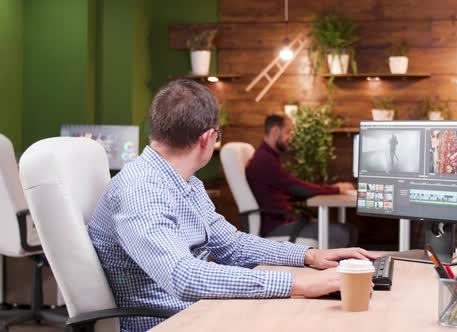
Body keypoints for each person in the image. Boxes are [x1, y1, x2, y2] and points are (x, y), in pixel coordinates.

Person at [87, 80, 375, 332]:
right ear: (208, 139)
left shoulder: (186, 182)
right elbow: (183, 277)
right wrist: (298, 285)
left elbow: (231, 245)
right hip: (168, 321)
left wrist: (309, 256)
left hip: (199, 310)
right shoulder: (140, 190)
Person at [246, 114, 358, 248]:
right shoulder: (265, 160)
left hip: (284, 221)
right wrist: (336, 189)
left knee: (347, 230)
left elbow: (288, 188)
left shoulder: (267, 156)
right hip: (277, 227)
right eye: (288, 132)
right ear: (275, 131)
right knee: (344, 232)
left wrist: (333, 188)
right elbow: (296, 187)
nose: (290, 137)